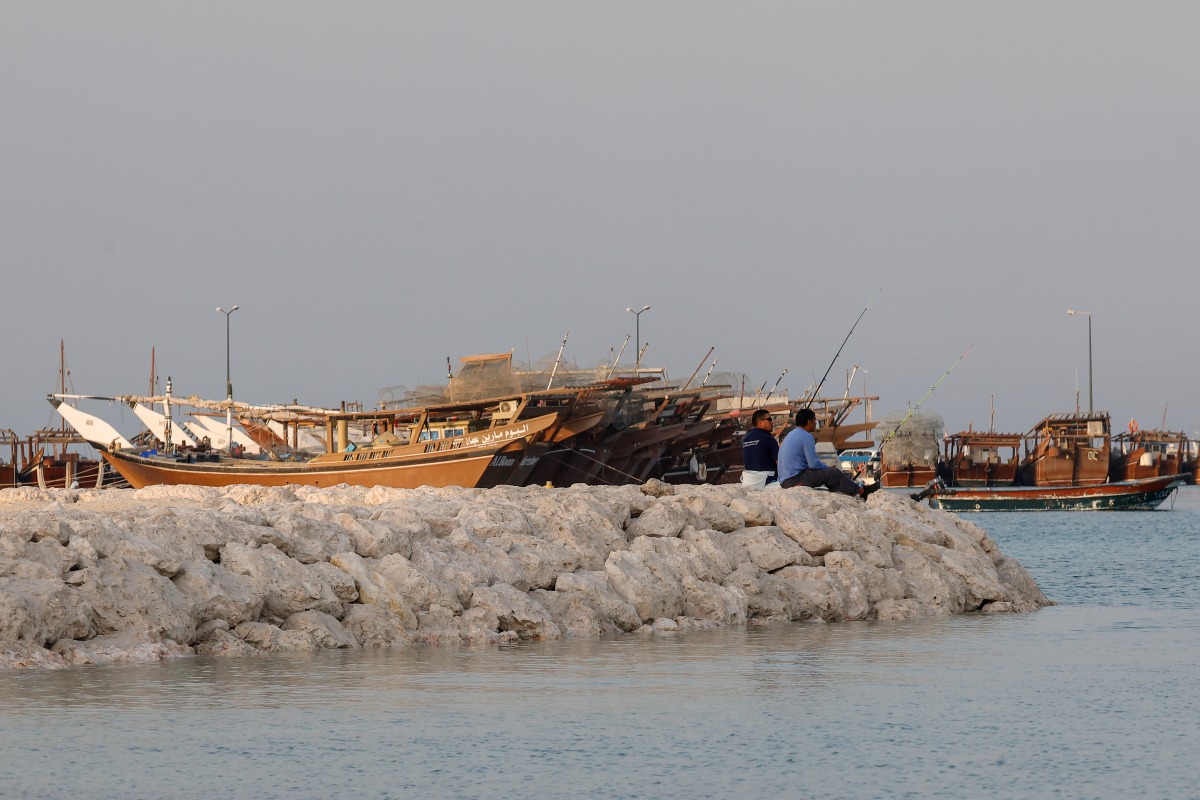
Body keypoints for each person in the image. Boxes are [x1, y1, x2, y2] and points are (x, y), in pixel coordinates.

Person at [778, 408, 879, 500]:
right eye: (814, 420)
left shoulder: (791, 434)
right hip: (794, 481)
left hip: (785, 480)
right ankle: (863, 491)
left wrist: (825, 468)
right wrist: (827, 468)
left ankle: (842, 490)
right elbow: (813, 464)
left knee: (829, 472)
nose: (816, 423)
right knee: (833, 472)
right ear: (809, 422)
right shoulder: (806, 436)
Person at [740, 409, 779, 489]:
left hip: (749, 480)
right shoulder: (768, 438)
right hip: (767, 480)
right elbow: (779, 462)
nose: (772, 422)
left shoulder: (746, 439)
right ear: (761, 422)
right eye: (769, 419)